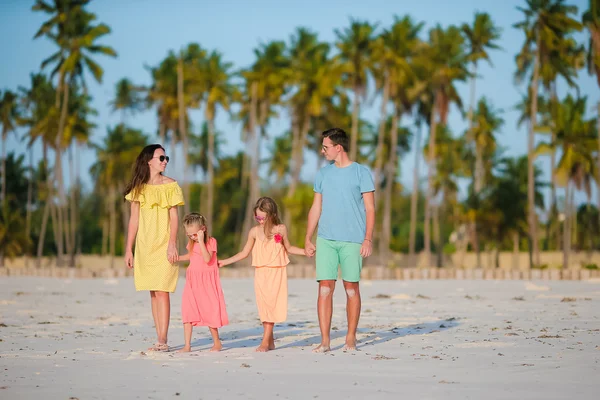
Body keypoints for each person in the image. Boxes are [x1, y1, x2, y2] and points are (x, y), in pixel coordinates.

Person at [304, 128, 375, 353]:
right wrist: (308, 237)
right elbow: (316, 207)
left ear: (338, 147)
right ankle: (325, 341)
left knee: (351, 288)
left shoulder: (361, 173)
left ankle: (351, 337)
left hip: (353, 240)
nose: (322, 151)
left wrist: (368, 239)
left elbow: (370, 208)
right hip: (326, 239)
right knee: (325, 289)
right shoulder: (323, 174)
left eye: (325, 147)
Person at [218, 197, 305, 352]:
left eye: (263, 217)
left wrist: (306, 251)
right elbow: (244, 253)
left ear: (271, 215)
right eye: (257, 217)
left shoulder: (281, 229)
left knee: (272, 304)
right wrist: (225, 261)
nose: (260, 220)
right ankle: (269, 341)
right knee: (264, 306)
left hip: (277, 271)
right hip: (261, 272)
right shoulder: (254, 232)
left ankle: (265, 341)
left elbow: (289, 248)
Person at [124, 144, 184, 352]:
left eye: (166, 158)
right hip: (144, 246)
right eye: (161, 158)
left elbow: (174, 218)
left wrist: (172, 244)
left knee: (164, 290)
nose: (165, 161)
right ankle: (159, 338)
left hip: (164, 244)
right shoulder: (138, 188)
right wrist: (128, 249)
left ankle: (163, 339)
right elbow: (134, 221)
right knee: (153, 291)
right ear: (149, 160)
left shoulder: (171, 185)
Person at [177, 213, 228, 353]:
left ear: (202, 229)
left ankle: (217, 342)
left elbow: (206, 258)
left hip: (206, 282)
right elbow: (191, 255)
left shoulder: (211, 242)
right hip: (192, 281)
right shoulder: (192, 243)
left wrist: (200, 241)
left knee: (209, 311)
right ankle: (187, 345)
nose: (192, 237)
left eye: (194, 234)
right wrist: (177, 258)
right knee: (187, 311)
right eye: (189, 235)